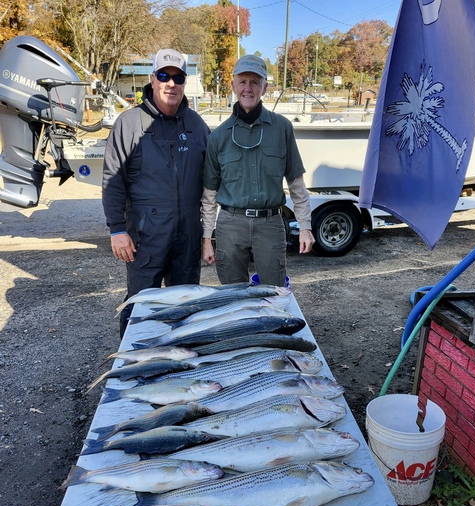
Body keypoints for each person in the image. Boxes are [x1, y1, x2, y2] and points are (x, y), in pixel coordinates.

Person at [102, 49, 210, 336]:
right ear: (152, 79)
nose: (170, 83)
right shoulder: (128, 124)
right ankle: (132, 365)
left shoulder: (197, 126)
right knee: (141, 306)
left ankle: (181, 360)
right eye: (164, 76)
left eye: (178, 77)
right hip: (145, 236)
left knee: (185, 305)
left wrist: (210, 232)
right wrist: (116, 230)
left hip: (187, 235)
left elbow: (214, 179)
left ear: (185, 82)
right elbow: (113, 180)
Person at [201, 54, 315, 287]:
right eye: (243, 81)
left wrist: (305, 227)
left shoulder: (282, 128)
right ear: (233, 86)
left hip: (270, 224)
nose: (248, 88)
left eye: (255, 82)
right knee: (234, 294)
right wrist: (206, 239)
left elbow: (296, 184)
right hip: (230, 224)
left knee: (274, 292)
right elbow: (209, 195)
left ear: (265, 87)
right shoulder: (218, 137)